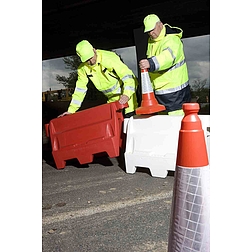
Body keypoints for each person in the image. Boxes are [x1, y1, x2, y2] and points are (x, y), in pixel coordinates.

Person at [58, 40, 138, 118]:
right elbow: (80, 90)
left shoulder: (109, 58)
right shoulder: (82, 69)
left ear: (94, 50)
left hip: (127, 91)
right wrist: (71, 110)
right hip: (112, 97)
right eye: (87, 60)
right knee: (112, 120)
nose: (91, 61)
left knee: (129, 117)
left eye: (91, 57)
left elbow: (127, 76)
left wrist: (127, 94)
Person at [139, 14, 191, 115]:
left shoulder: (172, 39)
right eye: (148, 31)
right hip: (159, 93)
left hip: (175, 93)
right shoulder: (151, 41)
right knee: (163, 126)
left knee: (176, 124)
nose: (151, 33)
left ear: (160, 25)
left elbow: (168, 57)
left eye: (152, 29)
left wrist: (150, 63)